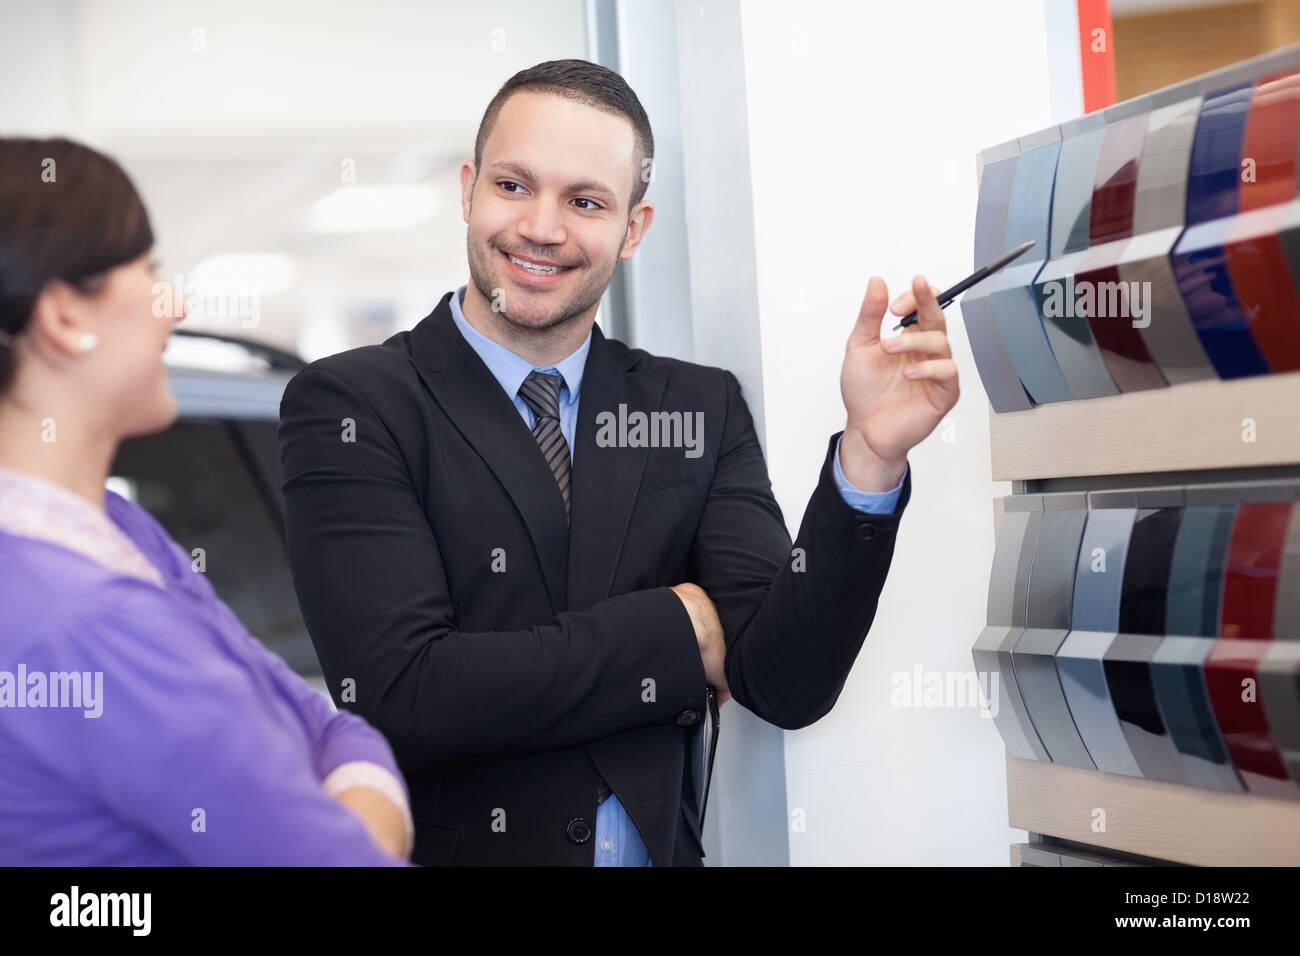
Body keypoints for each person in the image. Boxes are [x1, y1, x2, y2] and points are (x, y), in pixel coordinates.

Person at [278, 59, 959, 866]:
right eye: (513, 185)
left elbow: (784, 682)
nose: (541, 226)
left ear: (633, 229)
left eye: (586, 201)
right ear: (468, 190)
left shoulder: (694, 409)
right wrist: (679, 624)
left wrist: (869, 458)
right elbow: (408, 697)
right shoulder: (355, 405)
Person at [0, 137, 412, 865]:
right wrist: (370, 805)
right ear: (65, 315)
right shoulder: (89, 625)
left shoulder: (115, 529)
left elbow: (318, 717)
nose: (176, 303)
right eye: (149, 269)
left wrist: (342, 759)